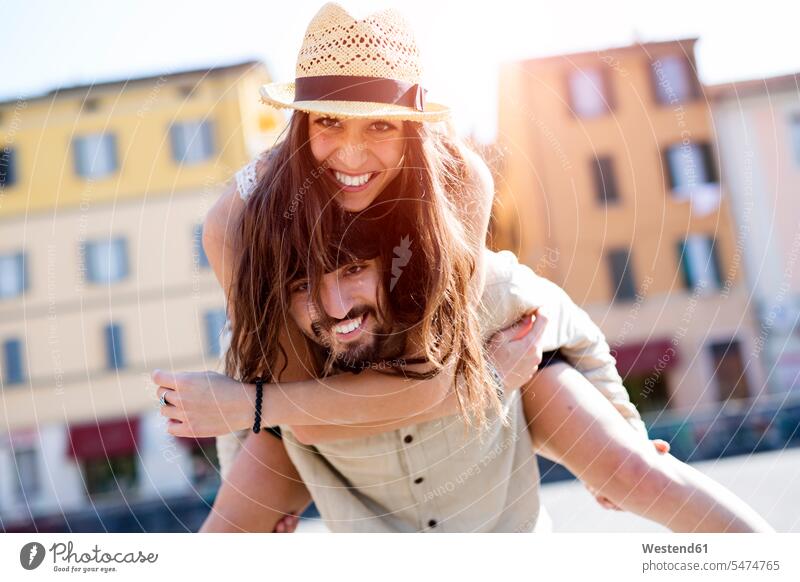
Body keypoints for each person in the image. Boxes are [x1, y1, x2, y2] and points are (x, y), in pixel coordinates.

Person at [151, 3, 771, 532]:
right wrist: (250, 426)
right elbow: (307, 418)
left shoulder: (457, 182)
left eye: (383, 126)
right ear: (300, 120)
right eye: (330, 121)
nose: (352, 154)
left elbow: (444, 371)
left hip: (491, 356)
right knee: (227, 537)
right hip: (345, 408)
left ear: (416, 127)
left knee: (638, 473)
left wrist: (247, 408)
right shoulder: (237, 225)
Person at [154, 211, 773, 532]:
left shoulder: (476, 287)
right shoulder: (269, 337)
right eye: (305, 286)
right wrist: (250, 498)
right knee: (230, 525)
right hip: (363, 507)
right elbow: (240, 396)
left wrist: (625, 433)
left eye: (352, 272)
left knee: (612, 439)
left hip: (494, 488)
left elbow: (565, 321)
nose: (336, 307)